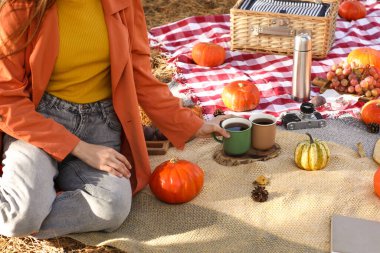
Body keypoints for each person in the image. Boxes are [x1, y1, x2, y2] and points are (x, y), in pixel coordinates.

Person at [0, 0, 230, 239]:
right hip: (39, 123)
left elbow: (141, 75)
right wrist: (79, 148)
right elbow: (5, 98)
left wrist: (193, 124)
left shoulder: (125, 3)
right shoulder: (21, 6)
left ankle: (34, 208)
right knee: (19, 218)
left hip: (100, 123)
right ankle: (27, 212)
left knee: (111, 208)